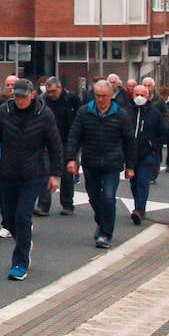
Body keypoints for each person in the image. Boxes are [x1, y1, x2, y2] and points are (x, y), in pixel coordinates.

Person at [0, 79, 61, 281]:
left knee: (22, 216)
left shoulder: (44, 114)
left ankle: (19, 262)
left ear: (33, 94)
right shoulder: (4, 112)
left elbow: (55, 145)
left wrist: (55, 174)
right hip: (7, 173)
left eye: (23, 96)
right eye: (16, 96)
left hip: (32, 174)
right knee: (9, 220)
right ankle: (25, 242)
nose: (19, 100)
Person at [66, 79, 135, 249]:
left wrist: (131, 166)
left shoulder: (120, 114)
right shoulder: (84, 112)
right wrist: (71, 158)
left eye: (104, 96)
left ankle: (106, 233)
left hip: (112, 163)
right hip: (91, 161)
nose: (101, 99)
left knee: (109, 197)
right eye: (98, 96)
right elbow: (74, 136)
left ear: (111, 95)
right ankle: (101, 220)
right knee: (94, 197)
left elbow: (129, 141)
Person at [35, 77, 80, 216]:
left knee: (67, 174)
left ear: (60, 88)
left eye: (53, 91)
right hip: (48, 142)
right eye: (48, 91)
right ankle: (43, 205)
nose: (51, 94)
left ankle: (67, 205)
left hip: (67, 140)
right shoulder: (42, 100)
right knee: (45, 173)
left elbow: (78, 120)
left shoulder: (71, 99)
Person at [128, 87, 166, 225]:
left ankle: (139, 210)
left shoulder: (155, 114)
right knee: (133, 183)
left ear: (148, 97)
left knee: (143, 181)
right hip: (131, 155)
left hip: (147, 154)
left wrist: (153, 146)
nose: (139, 97)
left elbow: (162, 133)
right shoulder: (126, 112)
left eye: (142, 95)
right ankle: (138, 204)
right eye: (137, 94)